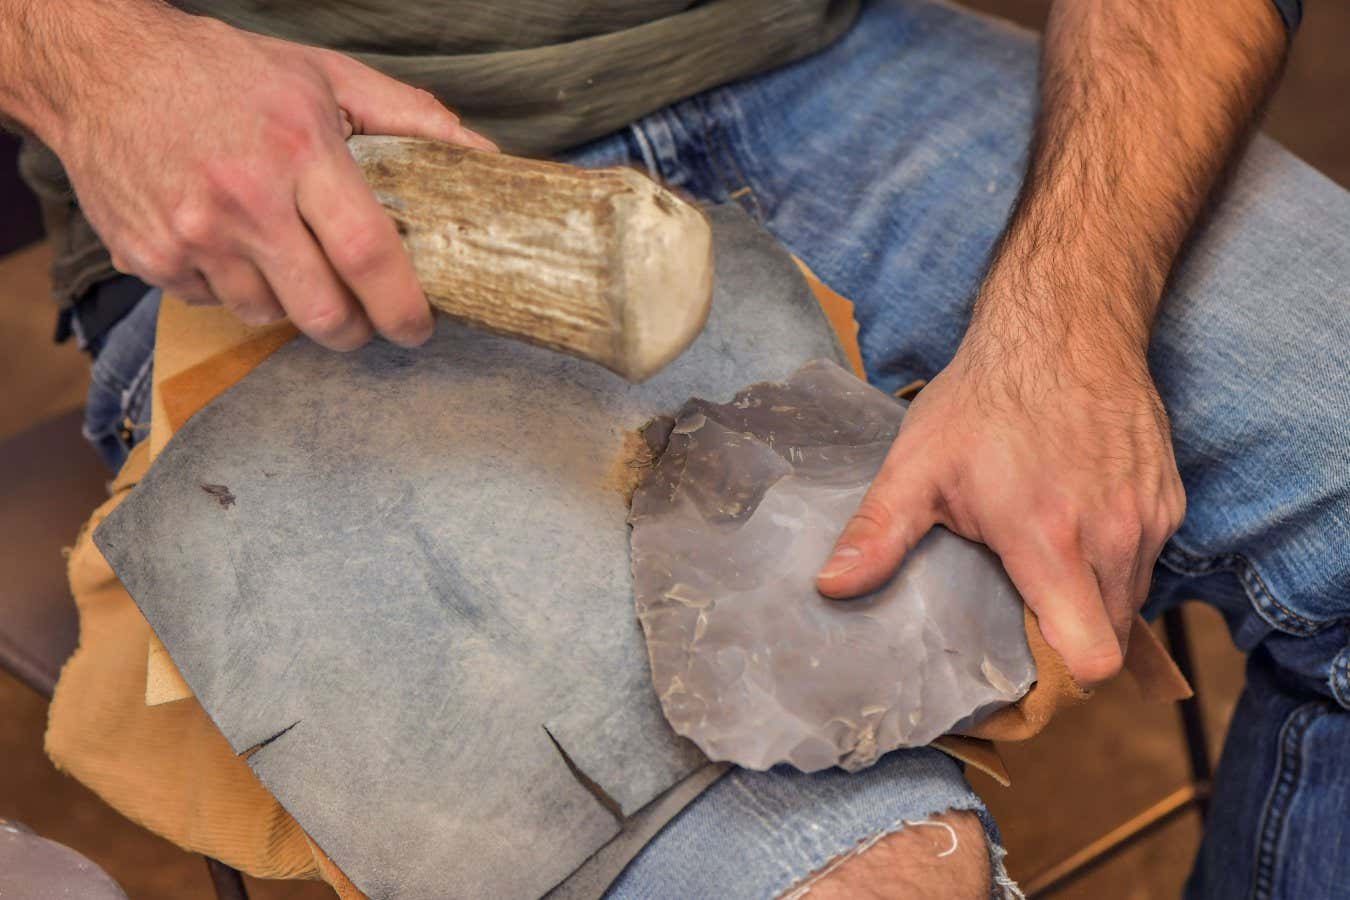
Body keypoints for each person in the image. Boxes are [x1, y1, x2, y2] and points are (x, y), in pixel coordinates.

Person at [2, 0, 1345, 897]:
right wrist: (83, 58)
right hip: (298, 177)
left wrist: (1070, 322)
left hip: (816, 60)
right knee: (867, 880)